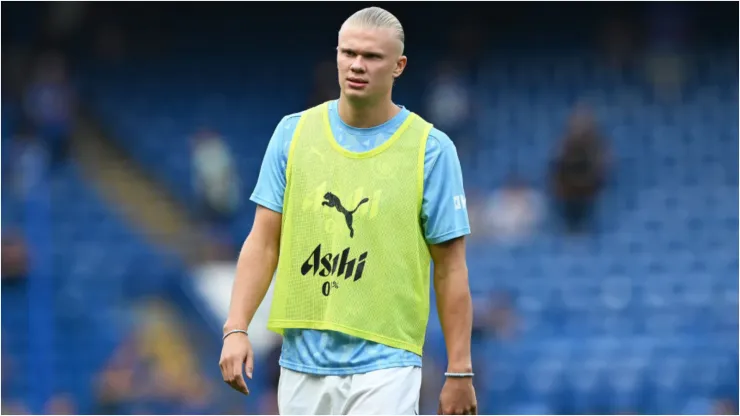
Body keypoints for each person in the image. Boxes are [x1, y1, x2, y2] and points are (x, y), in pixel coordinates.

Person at [219, 7, 476, 415]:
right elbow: (263, 242)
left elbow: (450, 269)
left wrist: (459, 370)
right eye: (348, 53)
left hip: (387, 365)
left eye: (372, 57)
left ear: (399, 66)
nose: (357, 65)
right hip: (301, 364)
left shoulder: (431, 150)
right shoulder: (293, 134)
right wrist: (236, 328)